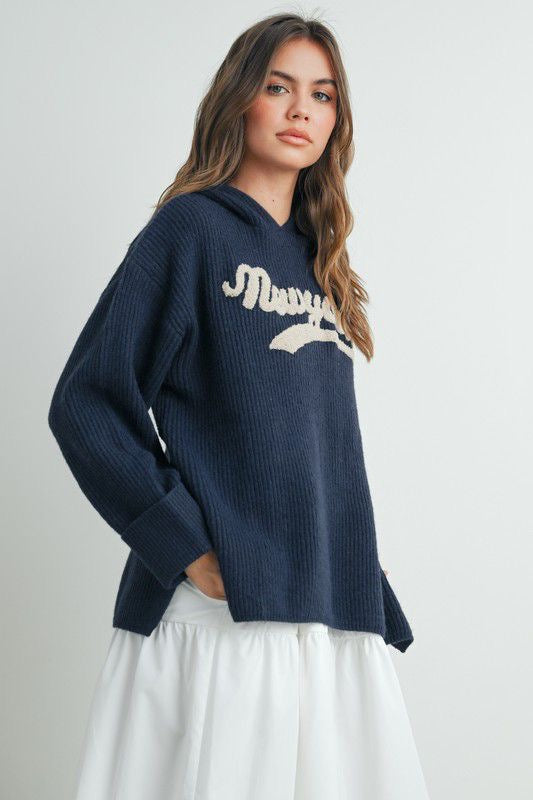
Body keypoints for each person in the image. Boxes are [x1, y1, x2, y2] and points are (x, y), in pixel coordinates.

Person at [48, 12, 431, 800]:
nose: (301, 110)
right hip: (225, 615)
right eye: (278, 87)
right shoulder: (188, 232)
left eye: (321, 95)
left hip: (323, 605)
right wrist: (183, 545)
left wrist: (347, 551)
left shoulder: (320, 261)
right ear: (239, 98)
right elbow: (87, 401)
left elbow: (315, 441)